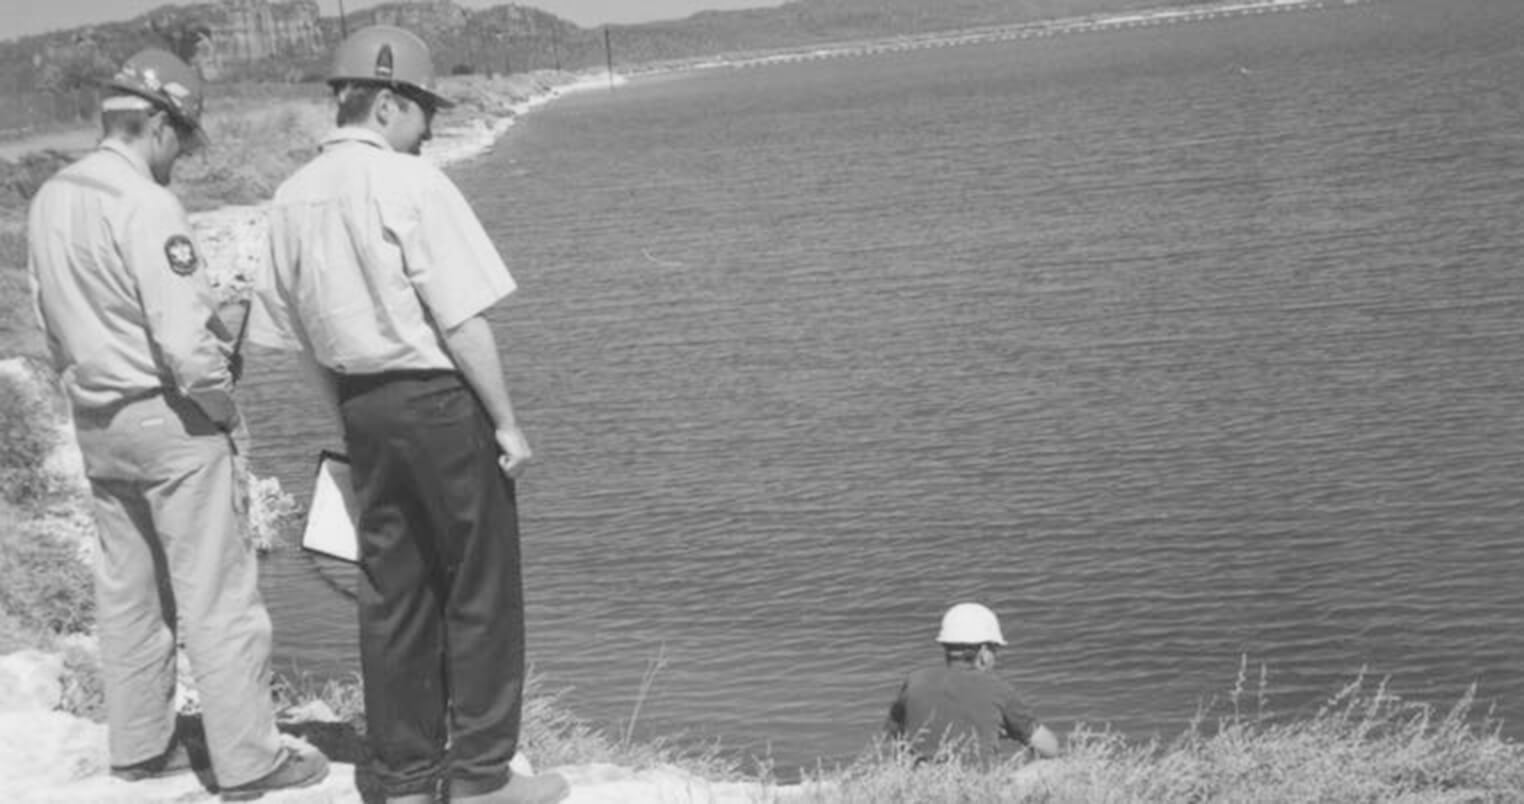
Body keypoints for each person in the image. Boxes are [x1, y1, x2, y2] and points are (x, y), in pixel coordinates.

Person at [246, 25, 567, 804]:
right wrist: (508, 424)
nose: (430, 129)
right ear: (388, 103)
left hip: (363, 407)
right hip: (440, 403)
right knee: (480, 590)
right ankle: (484, 778)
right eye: (425, 111)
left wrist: (349, 421)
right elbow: (461, 321)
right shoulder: (411, 184)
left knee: (392, 593)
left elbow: (296, 343)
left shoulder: (289, 198)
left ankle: (402, 776)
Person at [26, 49, 329, 798]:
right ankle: (250, 760)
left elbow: (47, 325)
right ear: (159, 124)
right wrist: (222, 409)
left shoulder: (51, 198)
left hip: (95, 417)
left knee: (127, 591)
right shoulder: (147, 205)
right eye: (181, 142)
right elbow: (187, 342)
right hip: (171, 419)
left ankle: (140, 747)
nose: (181, 160)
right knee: (219, 597)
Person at [884, 602, 1062, 764]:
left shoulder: (915, 680)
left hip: (924, 785)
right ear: (984, 652)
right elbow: (1050, 748)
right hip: (979, 787)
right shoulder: (998, 688)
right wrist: (1015, 733)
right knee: (1054, 766)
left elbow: (894, 732)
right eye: (995, 650)